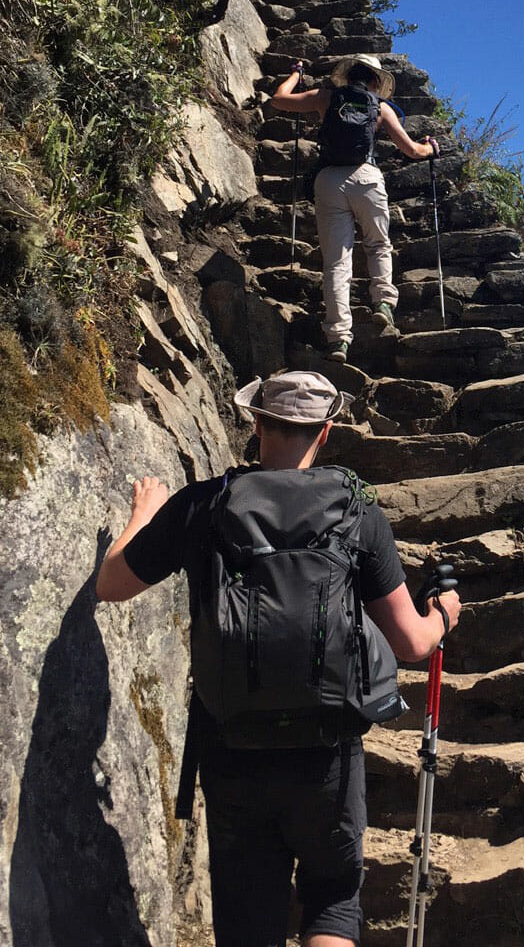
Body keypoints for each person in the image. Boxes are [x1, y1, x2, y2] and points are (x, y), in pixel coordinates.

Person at [96, 370, 461, 947]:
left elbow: (111, 584)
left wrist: (145, 513)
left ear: (257, 421)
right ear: (327, 431)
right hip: (327, 754)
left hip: (232, 749)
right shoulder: (358, 514)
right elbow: (413, 644)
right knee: (334, 901)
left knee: (248, 919)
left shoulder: (203, 506)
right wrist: (446, 613)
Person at [269, 54, 438, 362]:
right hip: (366, 177)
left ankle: (338, 339)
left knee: (336, 262)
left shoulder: (326, 98)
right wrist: (431, 148)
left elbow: (279, 100)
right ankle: (383, 303)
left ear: (347, 76)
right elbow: (412, 150)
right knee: (377, 244)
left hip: (329, 180)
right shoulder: (381, 107)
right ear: (376, 81)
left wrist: (297, 74)